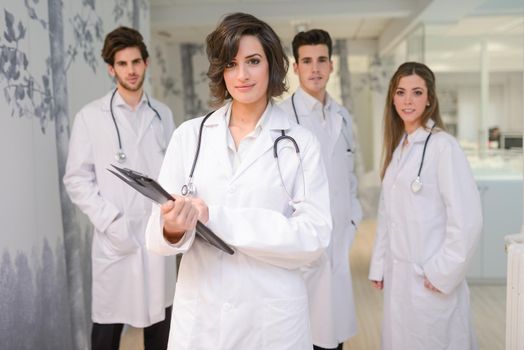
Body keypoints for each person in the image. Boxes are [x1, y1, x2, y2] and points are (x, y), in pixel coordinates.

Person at [145, 12, 332, 350]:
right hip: (203, 318)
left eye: (253, 61)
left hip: (270, 319)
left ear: (272, 65)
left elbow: (314, 236)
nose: (242, 75)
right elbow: (156, 237)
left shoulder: (300, 143)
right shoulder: (190, 136)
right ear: (221, 71)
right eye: (231, 64)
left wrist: (214, 218)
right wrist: (173, 226)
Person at [63, 26, 176, 350]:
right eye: (123, 64)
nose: (131, 70)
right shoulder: (91, 117)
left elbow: (173, 171)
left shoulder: (162, 115)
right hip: (118, 238)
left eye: (136, 62)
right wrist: (111, 222)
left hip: (157, 234)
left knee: (161, 324)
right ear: (112, 68)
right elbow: (76, 178)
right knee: (108, 330)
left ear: (146, 63)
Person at [368, 62, 482, 350]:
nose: (408, 101)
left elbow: (467, 221)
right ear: (392, 98)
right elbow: (387, 215)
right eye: (401, 92)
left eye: (416, 92)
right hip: (401, 278)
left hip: (429, 278)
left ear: (429, 98)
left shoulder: (444, 147)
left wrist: (442, 272)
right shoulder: (400, 147)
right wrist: (379, 265)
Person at [279, 29, 362, 350]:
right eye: (307, 61)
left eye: (321, 60)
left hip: (338, 243)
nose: (315, 68)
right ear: (295, 67)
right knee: (301, 335)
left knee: (333, 337)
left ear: (332, 65)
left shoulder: (343, 116)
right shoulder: (283, 119)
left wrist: (352, 221)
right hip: (301, 250)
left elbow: (349, 177)